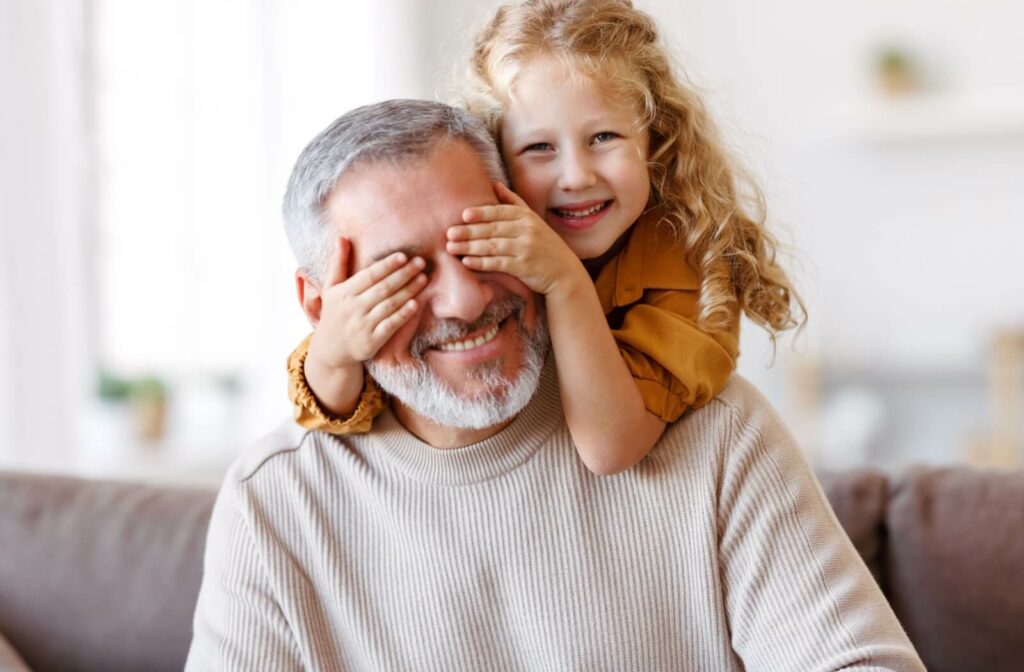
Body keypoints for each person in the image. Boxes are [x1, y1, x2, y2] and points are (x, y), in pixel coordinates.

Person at [186, 99, 924, 670]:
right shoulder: (274, 502)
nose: (466, 301)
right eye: (402, 274)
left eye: (485, 242)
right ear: (321, 307)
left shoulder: (709, 425)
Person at [285, 0, 805, 475]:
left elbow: (610, 447)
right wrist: (334, 353)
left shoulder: (690, 266)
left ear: (657, 141)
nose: (576, 175)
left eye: (604, 138)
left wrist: (564, 281)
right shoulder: (472, 253)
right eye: (538, 147)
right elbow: (334, 409)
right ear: (497, 162)